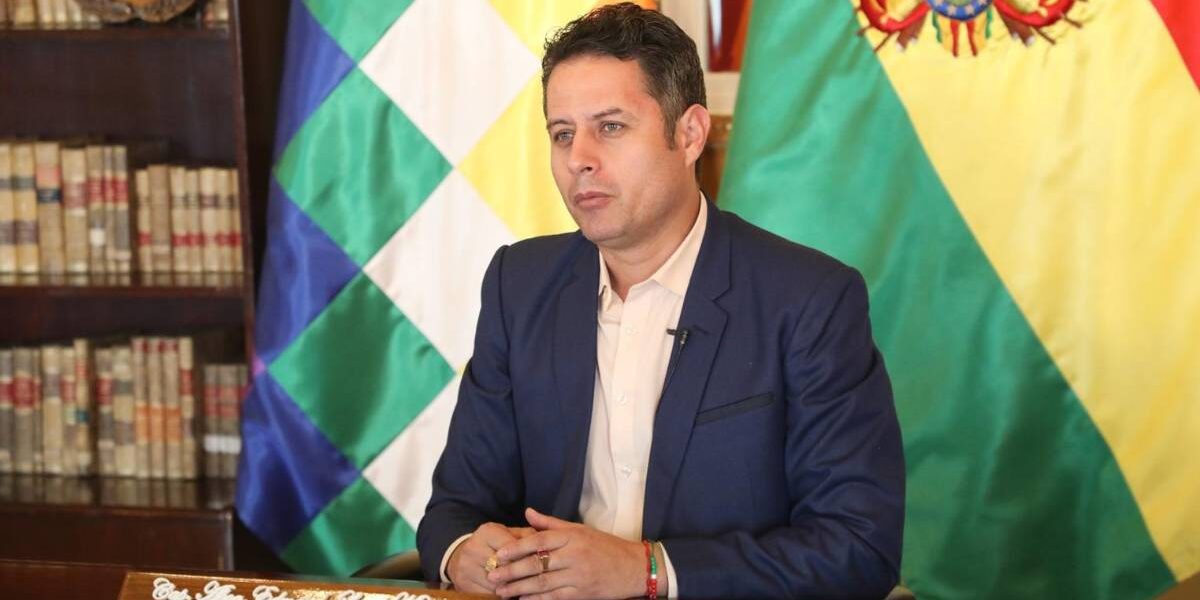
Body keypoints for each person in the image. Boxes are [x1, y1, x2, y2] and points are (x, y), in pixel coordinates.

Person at [416, 3, 905, 598]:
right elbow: (455, 508)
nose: (578, 158)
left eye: (610, 127)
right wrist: (463, 553)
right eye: (562, 133)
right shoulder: (518, 284)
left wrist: (647, 570)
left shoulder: (809, 300)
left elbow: (858, 548)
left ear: (689, 134)